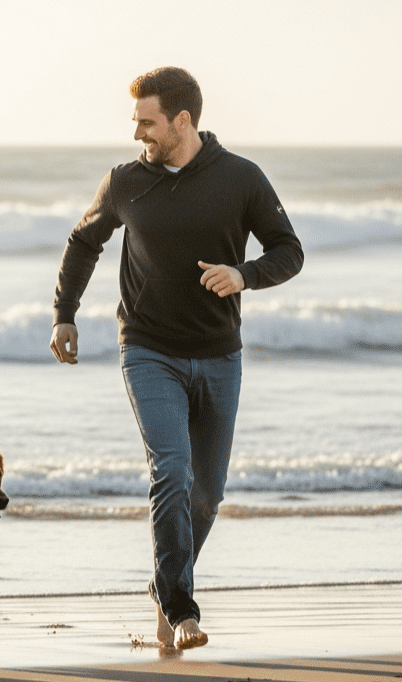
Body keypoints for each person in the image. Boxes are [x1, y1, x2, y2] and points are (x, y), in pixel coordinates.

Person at [50, 68, 303, 649]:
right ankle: (182, 607)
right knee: (172, 470)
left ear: (182, 120)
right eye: (136, 120)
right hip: (147, 349)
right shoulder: (124, 182)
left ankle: (165, 581)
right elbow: (84, 241)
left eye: (147, 121)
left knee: (207, 496)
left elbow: (289, 251)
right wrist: (65, 312)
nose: (137, 131)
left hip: (220, 355)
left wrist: (244, 275)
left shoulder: (241, 179)